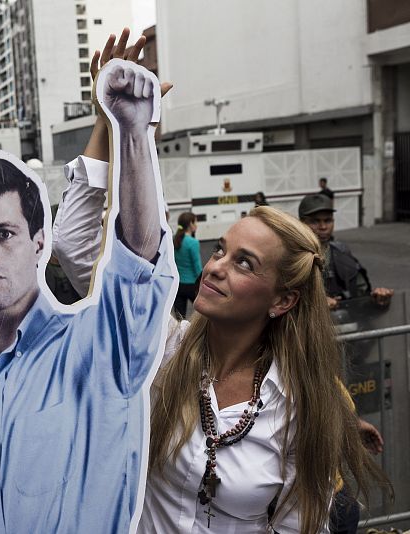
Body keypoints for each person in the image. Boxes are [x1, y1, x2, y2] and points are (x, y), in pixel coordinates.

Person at [52, 30, 388, 534]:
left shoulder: (302, 404)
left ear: (283, 300)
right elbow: (74, 247)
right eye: (220, 250)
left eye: (245, 263)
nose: (214, 267)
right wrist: (108, 125)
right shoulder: (161, 349)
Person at [0, 50, 176, 533]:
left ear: (38, 242)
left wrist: (131, 133)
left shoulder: (101, 351)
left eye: (4, 233)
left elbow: (135, 265)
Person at [298, 193, 393, 310]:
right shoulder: (289, 258)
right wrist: (315, 305)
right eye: (315, 221)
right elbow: (279, 306)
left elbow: (361, 300)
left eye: (328, 220)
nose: (323, 227)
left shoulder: (341, 253)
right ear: (301, 224)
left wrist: (377, 299)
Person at [173, 211, 203, 317]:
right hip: (192, 285)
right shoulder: (193, 242)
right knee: (203, 314)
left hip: (178, 285)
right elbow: (197, 267)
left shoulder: (174, 239)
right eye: (195, 222)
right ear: (190, 224)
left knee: (179, 317)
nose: (196, 225)